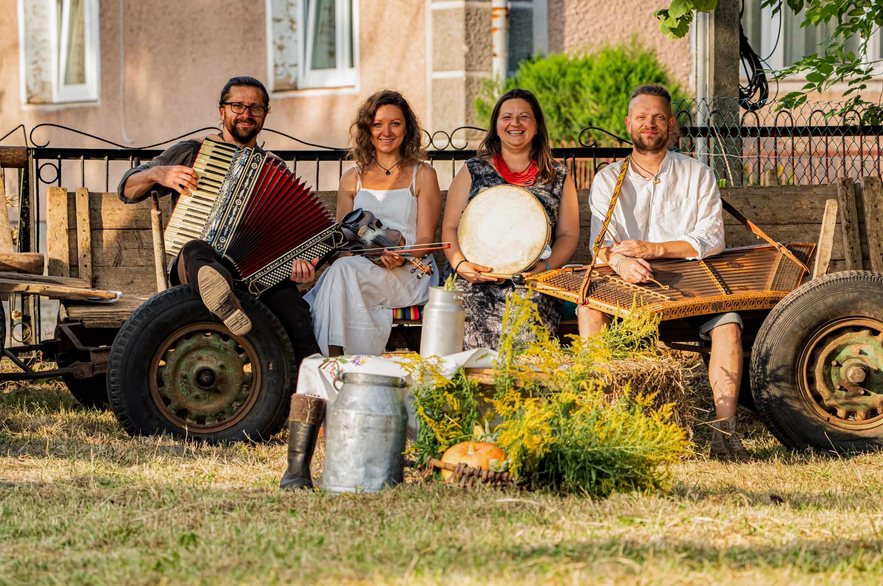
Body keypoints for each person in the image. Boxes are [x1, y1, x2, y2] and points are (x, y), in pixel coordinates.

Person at [579, 84, 749, 462]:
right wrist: (622, 263)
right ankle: (600, 424)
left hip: (692, 284)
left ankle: (725, 434)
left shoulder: (697, 173)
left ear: (671, 124)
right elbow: (600, 244)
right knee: (589, 311)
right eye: (642, 117)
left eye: (658, 117)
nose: (650, 124)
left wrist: (654, 249)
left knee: (728, 324)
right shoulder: (609, 178)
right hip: (627, 284)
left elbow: (712, 238)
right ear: (629, 124)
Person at [117, 75, 321, 366]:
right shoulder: (191, 152)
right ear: (221, 111)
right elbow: (126, 189)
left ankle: (313, 381)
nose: (246, 114)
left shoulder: (273, 167)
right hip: (192, 269)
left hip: (254, 273)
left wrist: (300, 266)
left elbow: (288, 235)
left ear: (265, 115)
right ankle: (224, 300)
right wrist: (157, 174)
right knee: (195, 248)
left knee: (292, 307)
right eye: (237, 106)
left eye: (255, 108)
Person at [290, 90, 442, 356]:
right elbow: (342, 242)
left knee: (338, 276)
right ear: (368, 130)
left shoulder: (423, 174)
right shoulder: (352, 178)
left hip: (410, 273)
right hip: (360, 270)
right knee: (342, 270)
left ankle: (329, 360)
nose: (386, 132)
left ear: (407, 129)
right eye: (378, 124)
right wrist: (347, 256)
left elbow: (426, 240)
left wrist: (403, 256)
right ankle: (343, 360)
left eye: (395, 123)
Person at [441, 88, 580, 350]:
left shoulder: (558, 174)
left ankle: (522, 377)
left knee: (529, 310)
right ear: (496, 126)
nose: (515, 123)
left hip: (531, 280)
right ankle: (467, 376)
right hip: (474, 277)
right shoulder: (474, 169)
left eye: (524, 117)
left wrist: (545, 268)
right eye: (506, 117)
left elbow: (569, 235)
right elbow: (449, 227)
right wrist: (460, 265)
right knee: (464, 301)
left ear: (536, 126)